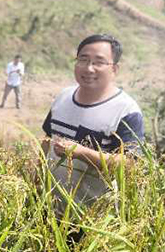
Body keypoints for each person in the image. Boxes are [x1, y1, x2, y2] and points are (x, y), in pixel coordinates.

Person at [42, 34, 144, 210]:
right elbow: (46, 139)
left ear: (114, 69)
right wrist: (38, 176)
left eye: (99, 62)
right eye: (83, 60)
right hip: (49, 208)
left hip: (92, 216)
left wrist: (81, 152)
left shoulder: (126, 111)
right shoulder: (63, 96)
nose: (89, 68)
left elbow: (129, 165)